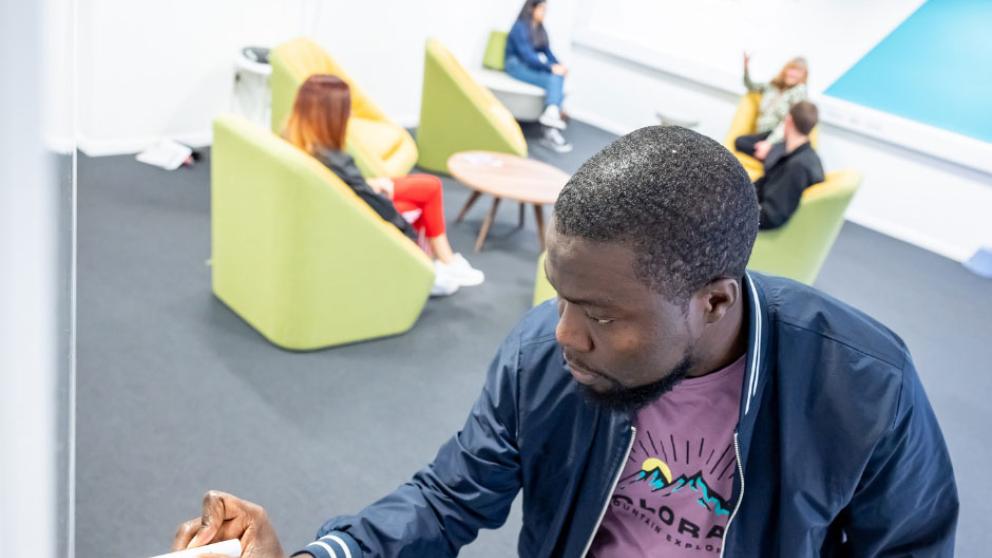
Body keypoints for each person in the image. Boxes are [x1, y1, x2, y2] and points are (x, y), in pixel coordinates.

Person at [172, 127, 958, 557]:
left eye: (605, 316)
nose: (564, 334)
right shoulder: (543, 356)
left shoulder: (864, 388)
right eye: (560, 294)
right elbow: (449, 498)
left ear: (713, 301)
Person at [283, 74, 483, 296]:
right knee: (424, 197)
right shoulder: (335, 159)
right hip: (362, 213)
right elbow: (376, 206)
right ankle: (432, 265)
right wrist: (407, 235)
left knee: (429, 186)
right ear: (332, 115)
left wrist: (369, 184)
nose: (349, 115)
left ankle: (446, 261)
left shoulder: (294, 139)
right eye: (346, 109)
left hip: (352, 197)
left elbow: (344, 186)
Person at [505, 0, 572, 154]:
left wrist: (559, 66)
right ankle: (554, 116)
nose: (544, 12)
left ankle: (552, 113)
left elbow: (547, 52)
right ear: (531, 8)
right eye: (542, 8)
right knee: (553, 77)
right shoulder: (519, 28)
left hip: (528, 65)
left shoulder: (540, 28)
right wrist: (550, 67)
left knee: (557, 76)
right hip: (516, 66)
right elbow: (528, 57)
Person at [754, 100, 824, 229]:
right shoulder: (807, 157)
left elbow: (770, 217)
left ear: (788, 120)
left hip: (759, 227)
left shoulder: (797, 167)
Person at [734, 54, 808, 161]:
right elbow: (750, 86)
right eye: (792, 69)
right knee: (740, 142)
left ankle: (770, 158)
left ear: (803, 76)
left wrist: (769, 143)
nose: (794, 74)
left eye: (799, 72)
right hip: (763, 133)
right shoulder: (772, 87)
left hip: (779, 136)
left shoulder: (798, 92)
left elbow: (788, 122)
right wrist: (746, 68)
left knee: (781, 153)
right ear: (786, 70)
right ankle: (768, 158)